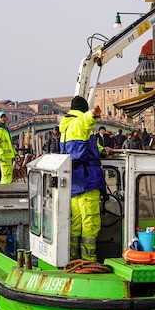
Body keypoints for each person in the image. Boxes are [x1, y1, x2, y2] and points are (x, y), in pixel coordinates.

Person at [59, 96, 104, 262]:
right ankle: (88, 260)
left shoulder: (66, 128)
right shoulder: (78, 124)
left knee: (76, 224)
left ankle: (72, 258)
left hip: (75, 183)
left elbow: (83, 146)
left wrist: (101, 150)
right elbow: (84, 123)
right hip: (87, 182)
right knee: (90, 223)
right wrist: (92, 114)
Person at [0, 111, 17, 184]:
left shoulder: (5, 129)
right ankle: (4, 190)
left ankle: (6, 188)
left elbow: (9, 144)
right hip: (3, 156)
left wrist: (14, 153)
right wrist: (1, 154)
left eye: (4, 117)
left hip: (8, 156)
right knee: (6, 174)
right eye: (1, 117)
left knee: (8, 174)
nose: (3, 119)